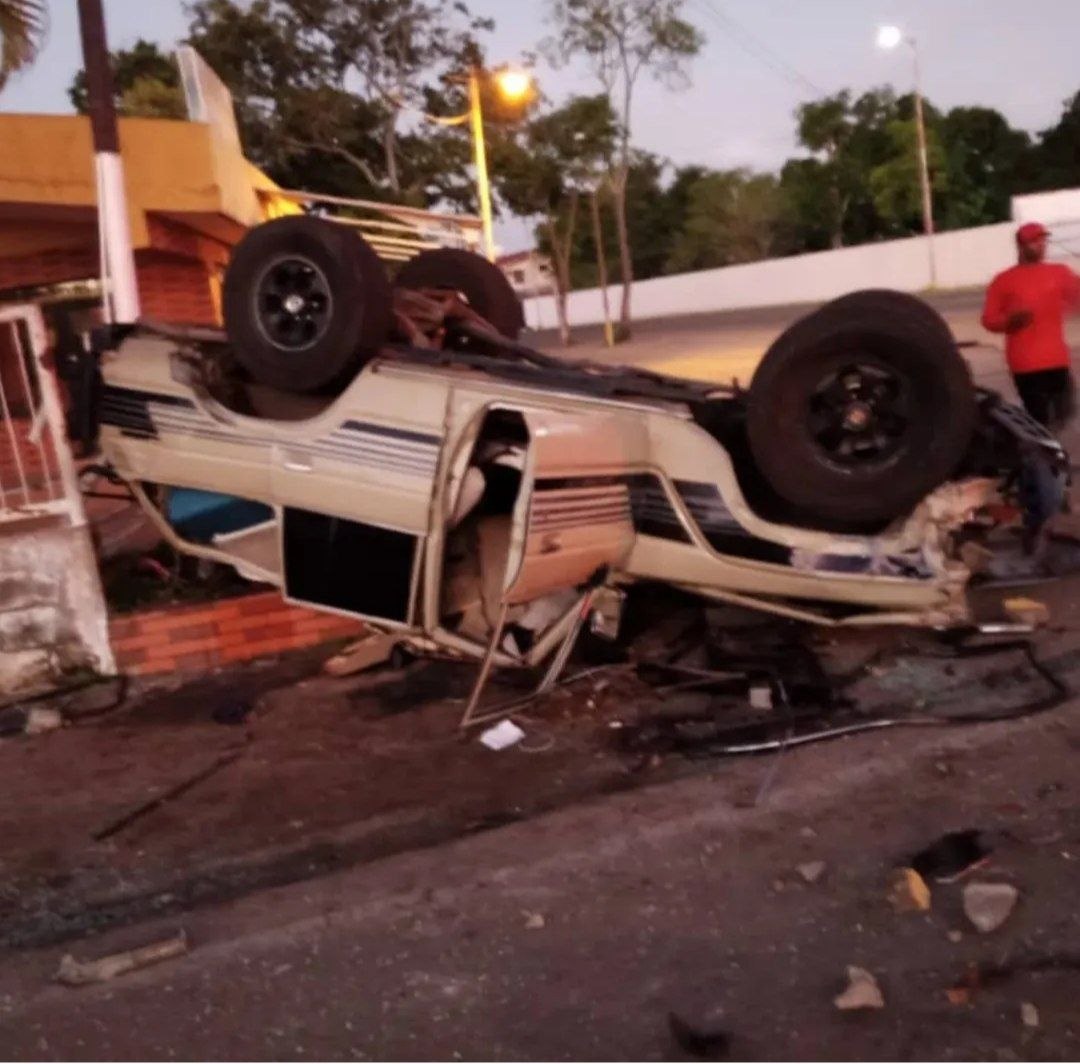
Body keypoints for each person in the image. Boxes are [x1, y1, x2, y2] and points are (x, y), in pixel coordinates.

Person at [982, 221, 1080, 428]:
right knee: (1039, 419)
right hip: (1025, 364)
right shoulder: (1004, 280)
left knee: (1065, 413)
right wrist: (1009, 322)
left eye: (1043, 240)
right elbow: (988, 319)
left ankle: (1051, 449)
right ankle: (1044, 454)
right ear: (1021, 246)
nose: (1041, 245)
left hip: (1057, 360)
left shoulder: (1059, 273)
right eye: (1035, 241)